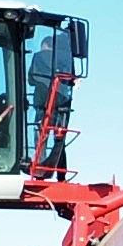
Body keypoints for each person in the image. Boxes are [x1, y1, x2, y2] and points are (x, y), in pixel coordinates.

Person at [24, 22, 76, 173]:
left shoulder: (38, 57)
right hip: (62, 102)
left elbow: (31, 80)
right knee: (59, 137)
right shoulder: (66, 59)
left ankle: (39, 168)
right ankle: (61, 173)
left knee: (41, 136)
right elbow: (70, 80)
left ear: (45, 45)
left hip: (42, 102)